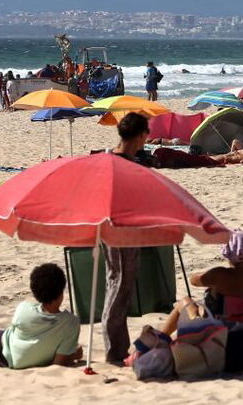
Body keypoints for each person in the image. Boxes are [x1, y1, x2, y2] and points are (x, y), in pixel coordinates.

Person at [0, 263, 82, 369]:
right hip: (31, 357)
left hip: (5, 353)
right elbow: (59, 364)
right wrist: (73, 355)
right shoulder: (70, 322)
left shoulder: (24, 308)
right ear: (61, 292)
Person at [160, 231, 243, 335]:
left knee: (185, 301)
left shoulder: (219, 275)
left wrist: (208, 273)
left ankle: (162, 337)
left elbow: (194, 281)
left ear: (227, 254)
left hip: (222, 335)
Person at [102, 112, 151, 363]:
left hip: (115, 229)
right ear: (141, 135)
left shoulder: (107, 159)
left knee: (119, 285)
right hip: (121, 230)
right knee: (119, 286)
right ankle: (114, 351)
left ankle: (118, 348)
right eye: (146, 135)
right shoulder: (126, 164)